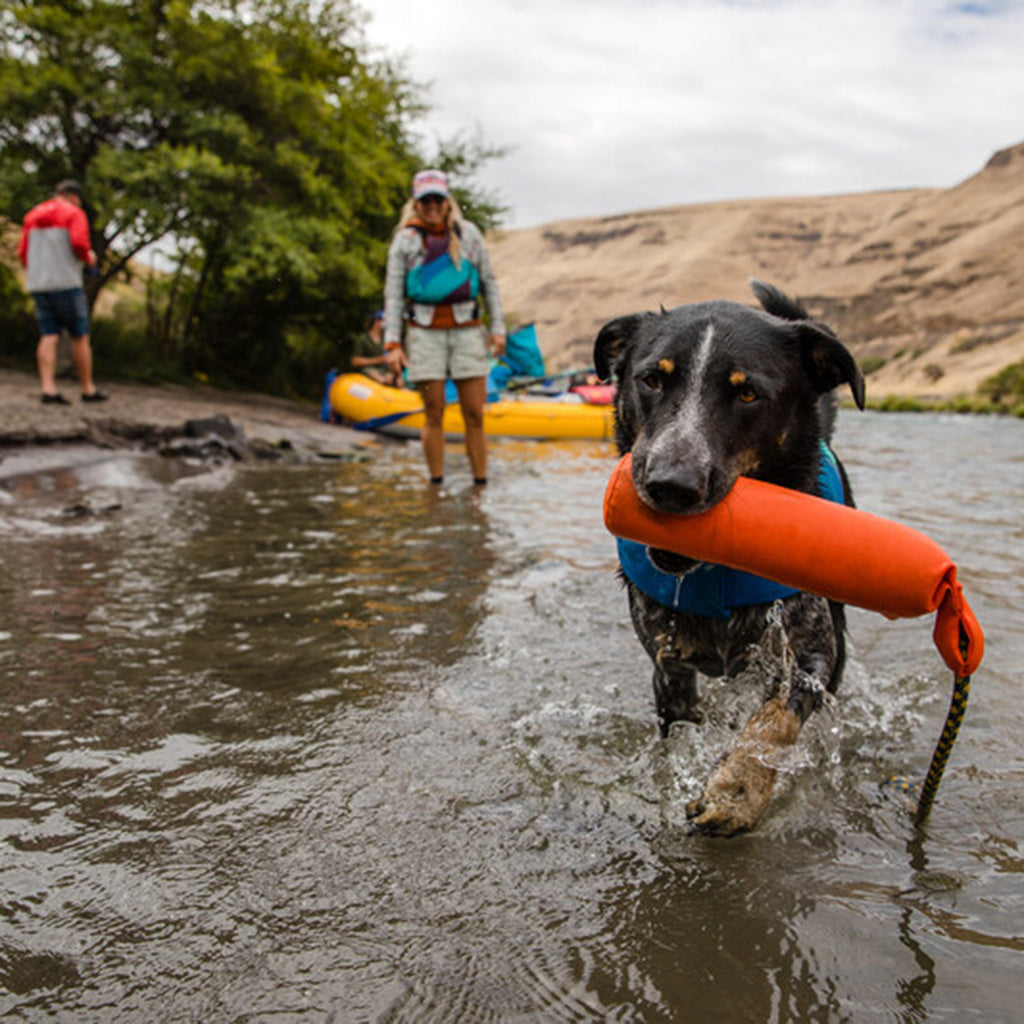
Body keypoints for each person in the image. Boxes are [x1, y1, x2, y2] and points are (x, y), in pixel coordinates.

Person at [383, 169, 505, 486]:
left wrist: (498, 329)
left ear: (447, 200)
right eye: (426, 200)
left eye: (438, 199)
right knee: (433, 413)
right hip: (424, 333)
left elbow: (489, 283)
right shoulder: (405, 240)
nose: (433, 205)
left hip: (467, 330)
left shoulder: (469, 235)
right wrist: (392, 344)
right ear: (417, 203)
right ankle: (436, 484)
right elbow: (394, 294)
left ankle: (480, 485)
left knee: (475, 414)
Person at [18, 179, 106, 405]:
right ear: (75, 197)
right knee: (79, 335)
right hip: (66, 283)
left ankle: (48, 389)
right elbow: (78, 244)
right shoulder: (74, 213)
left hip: (40, 283)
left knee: (49, 334)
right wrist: (90, 259)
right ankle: (88, 389)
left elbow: (22, 253)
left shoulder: (32, 215)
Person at [348, 311, 397, 385]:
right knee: (376, 376)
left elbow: (393, 360)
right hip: (368, 370)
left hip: (385, 370)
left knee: (389, 376)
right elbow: (355, 361)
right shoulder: (363, 339)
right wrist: (377, 360)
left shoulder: (387, 340)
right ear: (377, 321)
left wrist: (392, 374)